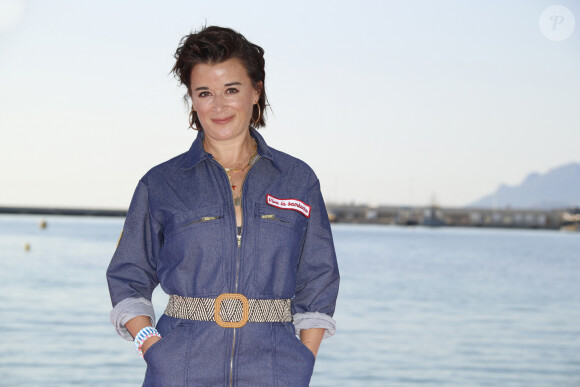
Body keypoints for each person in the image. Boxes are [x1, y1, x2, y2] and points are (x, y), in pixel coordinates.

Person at [106, 26, 339, 386]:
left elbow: (318, 279)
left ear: (256, 91)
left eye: (231, 89)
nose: (218, 105)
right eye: (204, 93)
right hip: (179, 371)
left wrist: (302, 361)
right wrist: (152, 348)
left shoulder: (297, 179)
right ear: (192, 100)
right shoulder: (161, 183)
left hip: (276, 373)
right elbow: (128, 277)